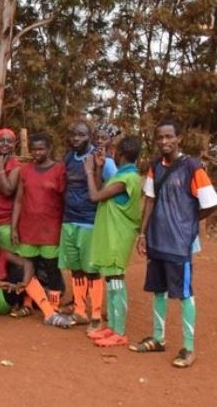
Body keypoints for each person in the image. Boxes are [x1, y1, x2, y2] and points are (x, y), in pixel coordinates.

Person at [131, 120, 217, 368]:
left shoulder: (192, 167)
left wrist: (187, 222)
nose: (164, 141)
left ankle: (188, 348)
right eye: (160, 137)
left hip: (180, 243)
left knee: (185, 293)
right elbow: (149, 199)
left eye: (169, 136)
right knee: (158, 289)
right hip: (157, 239)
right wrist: (143, 233)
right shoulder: (155, 166)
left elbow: (210, 203)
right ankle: (158, 338)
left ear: (179, 138)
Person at [82, 136, 142, 347]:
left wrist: (89, 171)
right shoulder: (122, 176)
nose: (111, 155)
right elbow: (101, 190)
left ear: (120, 154)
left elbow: (95, 196)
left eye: (113, 152)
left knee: (117, 282)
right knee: (111, 282)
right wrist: (99, 168)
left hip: (118, 238)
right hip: (112, 236)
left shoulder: (126, 179)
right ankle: (113, 328)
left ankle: (120, 331)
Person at [0, 225, 74, 335]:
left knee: (25, 274)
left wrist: (25, 283)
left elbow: (28, 264)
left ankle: (50, 315)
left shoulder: (4, 254)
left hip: (6, 299)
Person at [11, 132, 66, 311]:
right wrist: (14, 227)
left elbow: (64, 199)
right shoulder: (25, 170)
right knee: (29, 268)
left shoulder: (59, 170)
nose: (37, 153)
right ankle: (28, 303)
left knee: (52, 268)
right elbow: (19, 199)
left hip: (51, 229)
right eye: (34, 150)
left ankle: (54, 305)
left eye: (41, 149)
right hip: (28, 228)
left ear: (49, 149)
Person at [58, 121, 104, 333]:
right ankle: (79, 309)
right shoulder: (68, 157)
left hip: (88, 220)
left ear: (90, 136)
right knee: (75, 268)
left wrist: (96, 168)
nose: (76, 138)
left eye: (81, 135)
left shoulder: (98, 157)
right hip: (69, 219)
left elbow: (101, 188)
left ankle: (95, 314)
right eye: (73, 134)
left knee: (91, 269)